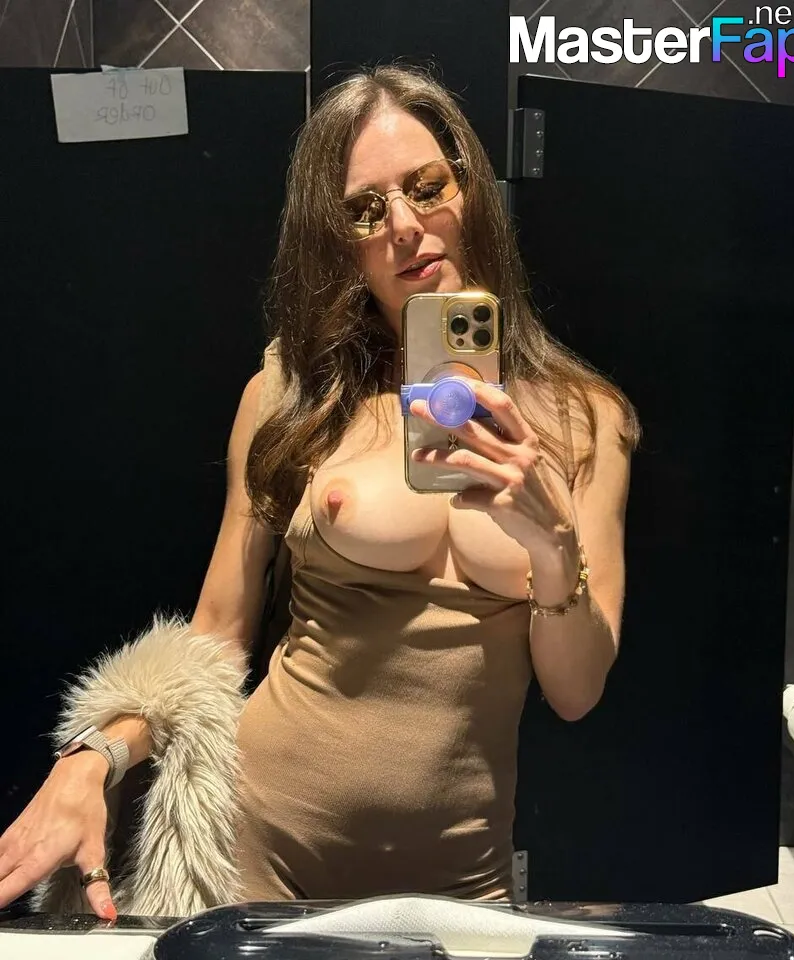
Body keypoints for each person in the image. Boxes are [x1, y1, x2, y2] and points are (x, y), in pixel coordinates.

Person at [0, 65, 639, 921]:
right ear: (337, 241)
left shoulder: (584, 421)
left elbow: (576, 691)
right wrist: (96, 757)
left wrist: (553, 547)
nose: (405, 226)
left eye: (427, 186)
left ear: (473, 190)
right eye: (364, 211)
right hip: (258, 851)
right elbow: (217, 634)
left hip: (462, 880)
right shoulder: (288, 397)